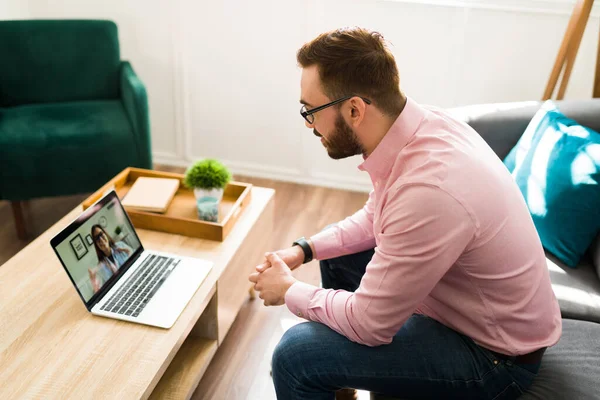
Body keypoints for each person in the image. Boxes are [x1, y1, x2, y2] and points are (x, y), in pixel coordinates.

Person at [248, 27, 562, 400]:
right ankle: (336, 383)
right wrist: (305, 249)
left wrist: (289, 290)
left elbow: (369, 323)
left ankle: (322, 375)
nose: (309, 124)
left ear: (354, 109)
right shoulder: (423, 127)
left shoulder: (430, 188)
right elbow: (377, 216)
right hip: (465, 311)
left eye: (310, 111)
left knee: (295, 355)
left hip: (494, 358)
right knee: (340, 258)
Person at [88, 224, 133, 293]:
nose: (100, 239)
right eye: (97, 238)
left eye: (101, 234)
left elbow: (137, 259)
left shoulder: (121, 245)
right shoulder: (100, 267)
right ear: (96, 244)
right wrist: (94, 285)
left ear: (105, 234)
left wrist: (129, 252)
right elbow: (102, 291)